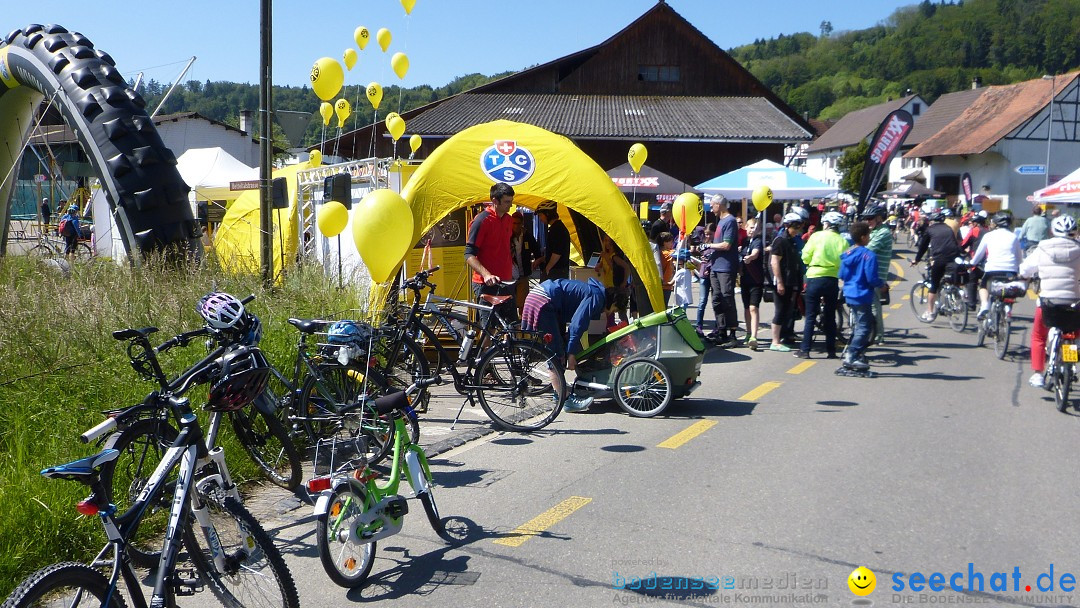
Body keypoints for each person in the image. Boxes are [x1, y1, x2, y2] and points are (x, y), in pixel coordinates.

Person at [520, 277, 628, 412]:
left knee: (560, 346)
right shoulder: (597, 297)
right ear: (614, 301)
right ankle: (565, 400)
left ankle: (557, 391)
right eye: (615, 309)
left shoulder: (595, 293)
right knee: (555, 353)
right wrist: (571, 354)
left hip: (542, 297)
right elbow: (577, 325)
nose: (611, 313)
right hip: (543, 301)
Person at [1019, 215, 1080, 388]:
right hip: (1074, 302)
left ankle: (1038, 374)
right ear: (1074, 232)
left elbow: (1025, 269)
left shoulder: (1042, 248)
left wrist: (1023, 276)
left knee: (1039, 335)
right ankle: (1072, 355)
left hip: (1048, 302)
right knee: (1074, 330)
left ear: (1052, 231)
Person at [797, 211, 849, 359]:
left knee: (811, 316)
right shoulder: (842, 241)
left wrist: (809, 263)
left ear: (826, 223)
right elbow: (844, 262)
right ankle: (831, 351)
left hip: (814, 277)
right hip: (831, 279)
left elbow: (805, 256)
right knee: (830, 315)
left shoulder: (816, 236)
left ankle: (805, 350)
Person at [465, 182, 516, 323]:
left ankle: (510, 346)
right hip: (486, 284)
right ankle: (485, 346)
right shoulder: (481, 221)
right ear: (495, 201)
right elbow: (469, 254)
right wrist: (486, 274)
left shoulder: (508, 220)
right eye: (506, 202)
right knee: (489, 329)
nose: (510, 206)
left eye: (511, 202)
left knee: (512, 327)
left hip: (506, 281)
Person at [838, 221, 884, 371]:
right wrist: (881, 284)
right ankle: (852, 354)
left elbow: (842, 275)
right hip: (862, 294)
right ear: (863, 237)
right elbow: (871, 278)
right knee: (865, 327)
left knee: (859, 324)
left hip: (849, 293)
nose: (870, 238)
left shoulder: (847, 254)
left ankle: (856, 353)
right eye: (869, 235)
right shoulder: (868, 255)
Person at [911, 211, 962, 322]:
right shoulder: (948, 229)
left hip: (939, 259)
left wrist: (917, 260)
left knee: (934, 285)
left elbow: (923, 247)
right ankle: (953, 297)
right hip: (954, 259)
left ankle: (930, 311)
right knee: (950, 279)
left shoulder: (930, 230)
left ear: (932, 221)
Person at [971, 212, 1022, 320]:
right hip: (1010, 271)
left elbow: (979, 254)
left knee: (983, 286)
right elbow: (1019, 258)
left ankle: (985, 304)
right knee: (1008, 292)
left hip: (992, 270)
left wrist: (972, 263)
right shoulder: (1014, 237)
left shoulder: (988, 236)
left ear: (996, 223)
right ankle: (1007, 310)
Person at [703, 195, 739, 347]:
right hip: (716, 266)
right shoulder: (721, 222)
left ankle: (732, 334)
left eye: (712, 206)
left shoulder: (730, 221)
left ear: (719, 205)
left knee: (727, 298)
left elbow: (726, 245)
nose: (711, 209)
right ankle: (721, 331)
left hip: (726, 267)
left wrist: (709, 246)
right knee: (717, 299)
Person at [769, 213, 804, 352]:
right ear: (786, 225)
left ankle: (782, 337)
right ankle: (775, 341)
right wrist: (779, 282)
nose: (797, 230)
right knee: (780, 310)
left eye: (798, 227)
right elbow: (774, 262)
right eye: (794, 226)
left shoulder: (792, 240)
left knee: (786, 311)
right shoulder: (780, 240)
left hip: (790, 280)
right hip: (782, 280)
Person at [861, 204, 893, 345]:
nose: (868, 221)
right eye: (866, 219)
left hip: (876, 275)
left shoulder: (883, 233)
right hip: (869, 272)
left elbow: (868, 249)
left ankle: (879, 336)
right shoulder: (874, 231)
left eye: (871, 218)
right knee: (868, 304)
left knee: (874, 306)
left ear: (879, 218)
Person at [739, 218, 764, 351]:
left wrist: (750, 257)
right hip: (745, 280)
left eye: (754, 228)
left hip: (756, 280)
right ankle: (748, 333)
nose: (751, 230)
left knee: (754, 308)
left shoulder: (757, 241)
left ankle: (754, 336)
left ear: (758, 230)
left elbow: (755, 253)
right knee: (747, 309)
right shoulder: (744, 242)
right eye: (749, 227)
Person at [509, 211, 539, 317]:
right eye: (513, 223)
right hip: (510, 276)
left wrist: (537, 260)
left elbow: (536, 250)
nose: (515, 226)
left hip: (523, 275)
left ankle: (522, 326)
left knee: (523, 304)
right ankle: (512, 327)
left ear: (522, 223)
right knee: (510, 304)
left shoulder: (527, 236)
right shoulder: (507, 236)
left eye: (517, 223)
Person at [532, 200, 571, 280]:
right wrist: (540, 260)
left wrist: (547, 269)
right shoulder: (555, 228)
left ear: (547, 214)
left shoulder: (557, 229)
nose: (540, 219)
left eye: (540, 215)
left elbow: (557, 253)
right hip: (558, 271)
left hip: (557, 272)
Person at [693, 222, 715, 335]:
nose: (708, 236)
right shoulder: (703, 243)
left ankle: (717, 326)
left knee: (715, 301)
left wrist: (710, 267)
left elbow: (716, 259)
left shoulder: (716, 245)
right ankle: (699, 325)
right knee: (702, 301)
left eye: (710, 234)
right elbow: (698, 229)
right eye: (706, 234)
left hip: (714, 275)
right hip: (703, 275)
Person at [652, 232, 675, 306]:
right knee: (664, 307)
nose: (672, 243)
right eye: (671, 241)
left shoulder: (658, 253)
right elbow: (679, 252)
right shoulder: (667, 254)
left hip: (660, 284)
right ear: (664, 242)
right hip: (666, 285)